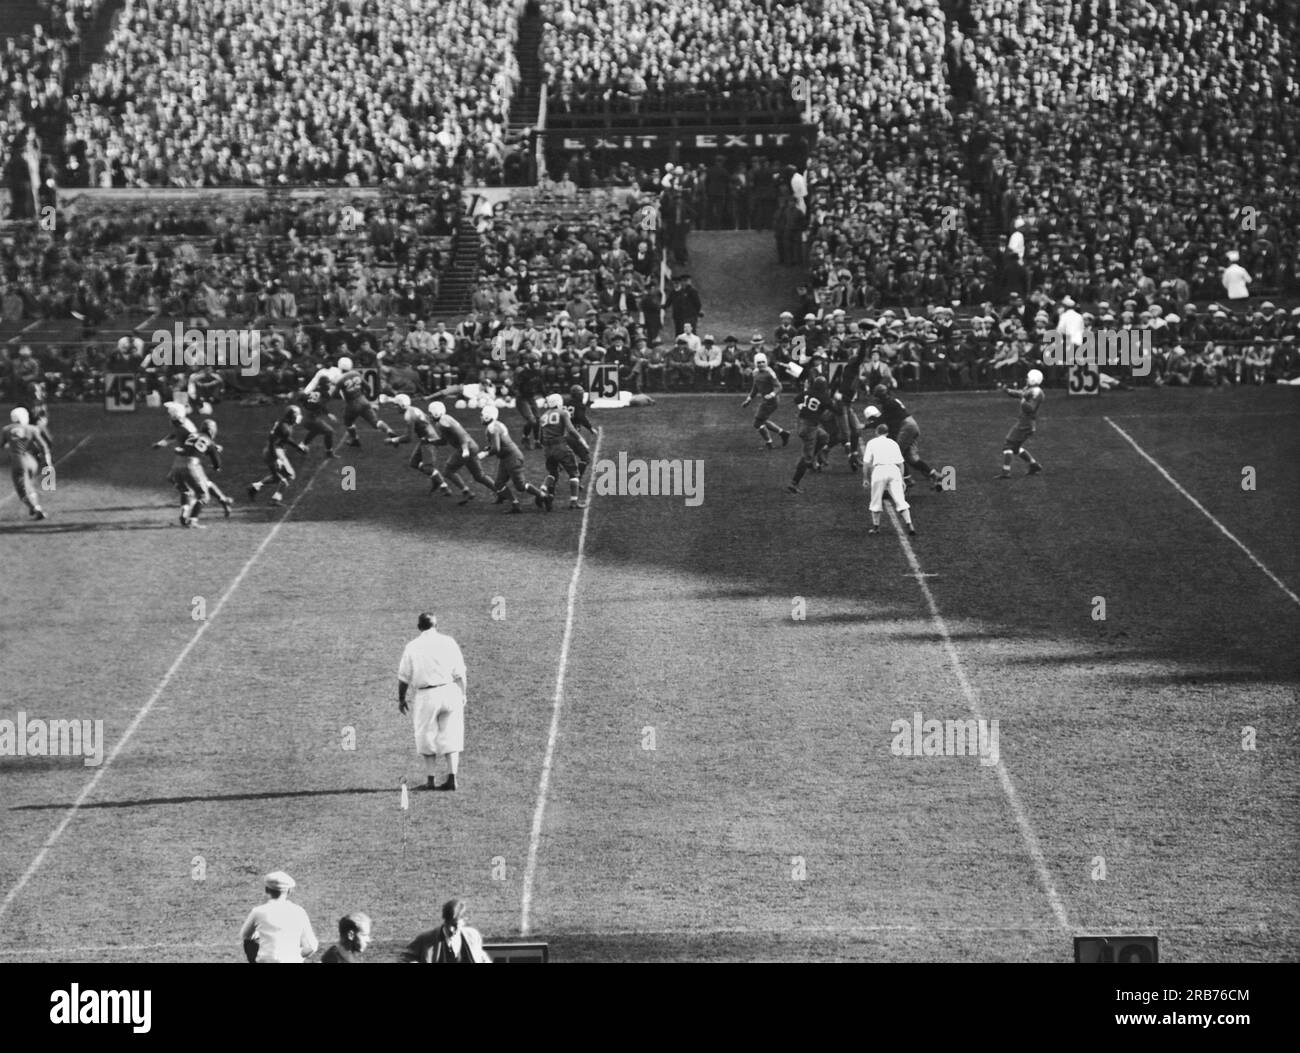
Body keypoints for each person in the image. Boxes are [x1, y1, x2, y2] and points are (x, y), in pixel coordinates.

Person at [398, 613, 469, 791]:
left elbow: (404, 677)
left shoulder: (413, 646)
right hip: (450, 691)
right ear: (436, 625)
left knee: (425, 735)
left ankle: (431, 780)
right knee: (451, 735)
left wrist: (401, 699)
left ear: (419, 627)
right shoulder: (448, 642)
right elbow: (460, 672)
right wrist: (463, 693)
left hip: (426, 695)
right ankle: (452, 778)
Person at [238, 871, 319, 963]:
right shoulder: (299, 912)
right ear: (290, 891)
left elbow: (245, 935)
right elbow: (312, 946)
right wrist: (297, 956)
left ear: (266, 890)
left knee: (250, 941)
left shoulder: (258, 911)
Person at [862, 419, 917, 537]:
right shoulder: (893, 443)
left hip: (879, 471)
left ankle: (876, 527)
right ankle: (910, 524)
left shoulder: (872, 443)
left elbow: (866, 463)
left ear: (877, 432)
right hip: (894, 470)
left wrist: (865, 479)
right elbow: (901, 464)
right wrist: (902, 479)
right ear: (887, 433)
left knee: (876, 500)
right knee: (900, 500)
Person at [247, 406, 309, 506]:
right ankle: (275, 500)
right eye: (297, 414)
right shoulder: (285, 427)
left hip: (270, 451)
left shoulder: (284, 424)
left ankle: (255, 487)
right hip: (274, 452)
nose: (299, 417)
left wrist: (297, 447)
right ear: (292, 416)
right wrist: (277, 458)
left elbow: (285, 439)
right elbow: (276, 441)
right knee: (289, 476)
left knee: (276, 478)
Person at [2, 407, 52, 520]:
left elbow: (2, 444)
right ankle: (35, 505)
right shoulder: (32, 429)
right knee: (28, 485)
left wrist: (9, 445)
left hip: (18, 462)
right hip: (31, 461)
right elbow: (43, 446)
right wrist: (47, 461)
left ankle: (35, 508)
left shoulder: (6, 429)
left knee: (21, 489)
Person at [404, 899, 491, 963]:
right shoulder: (426, 939)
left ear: (464, 920)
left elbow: (481, 956)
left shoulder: (473, 936)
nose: (450, 929)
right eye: (448, 924)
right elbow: (406, 957)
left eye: (455, 925)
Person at [997, 368, 1045, 479]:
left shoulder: (1037, 392)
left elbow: (1030, 408)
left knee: (1008, 444)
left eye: (1028, 377)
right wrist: (1008, 391)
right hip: (1027, 423)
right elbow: (1021, 393)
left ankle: (1006, 472)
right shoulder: (1032, 389)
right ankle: (1034, 465)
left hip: (1025, 423)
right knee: (1015, 447)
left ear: (1033, 379)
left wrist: (1023, 400)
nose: (1026, 379)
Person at [741, 352, 790, 450]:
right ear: (755, 363)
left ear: (766, 362)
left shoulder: (769, 372)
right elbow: (755, 387)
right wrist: (749, 399)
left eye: (763, 362)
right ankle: (783, 433)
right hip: (766, 401)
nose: (761, 364)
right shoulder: (755, 372)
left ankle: (769, 443)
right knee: (761, 420)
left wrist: (772, 394)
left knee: (757, 423)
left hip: (772, 401)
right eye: (759, 362)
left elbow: (779, 386)